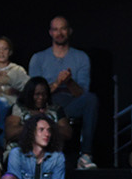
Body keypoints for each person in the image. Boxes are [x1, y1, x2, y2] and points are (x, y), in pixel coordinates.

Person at [28, 16, 99, 169]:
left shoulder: (81, 57)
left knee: (91, 99)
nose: (59, 33)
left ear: (69, 31)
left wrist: (69, 82)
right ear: (50, 33)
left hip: (70, 105)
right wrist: (57, 83)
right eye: (55, 29)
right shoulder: (38, 58)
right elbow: (33, 93)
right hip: (47, 106)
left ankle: (86, 155)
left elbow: (82, 93)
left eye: (63, 29)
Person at [4, 76, 74, 151]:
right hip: (21, 151)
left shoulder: (55, 109)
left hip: (49, 151)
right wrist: (34, 122)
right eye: (37, 94)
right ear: (30, 94)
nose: (41, 97)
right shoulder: (18, 108)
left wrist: (46, 122)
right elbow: (10, 133)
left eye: (44, 94)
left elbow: (67, 133)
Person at [0, 36, 29, 112]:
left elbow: (28, 87)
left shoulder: (17, 70)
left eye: (5, 49)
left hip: (12, 109)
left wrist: (9, 80)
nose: (1, 52)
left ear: (10, 52)